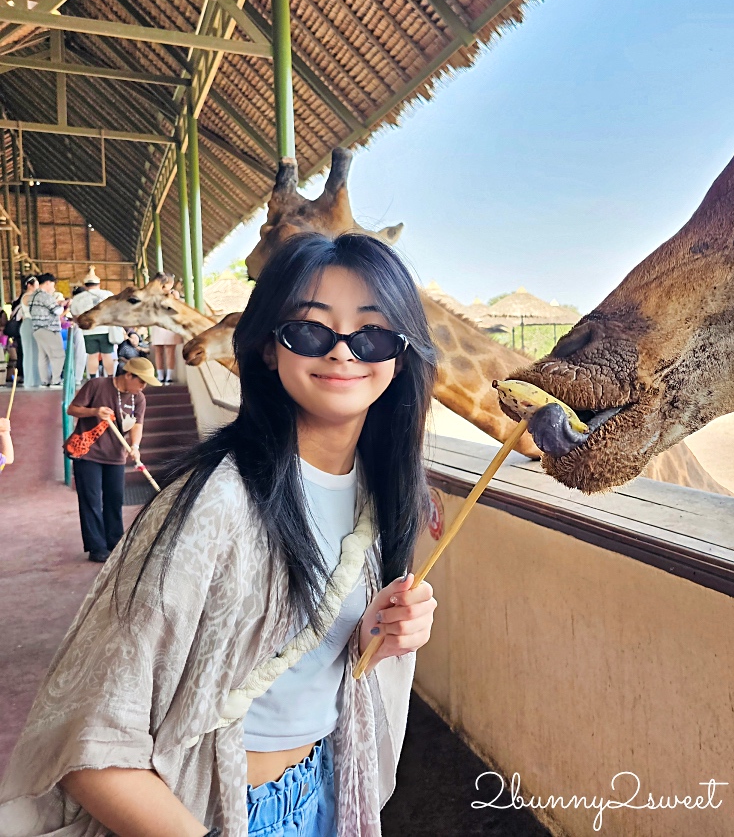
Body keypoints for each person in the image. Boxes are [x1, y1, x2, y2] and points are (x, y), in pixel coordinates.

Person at [0, 233, 440, 836]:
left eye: (372, 334)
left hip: (327, 790)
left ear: (400, 353)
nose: (343, 352)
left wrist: (372, 635)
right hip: (216, 811)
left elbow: (289, 654)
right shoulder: (211, 505)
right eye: (311, 330)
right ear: (266, 348)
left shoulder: (377, 493)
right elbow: (91, 737)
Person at [63, 355, 155, 562]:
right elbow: (72, 409)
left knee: (115, 499)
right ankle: (97, 547)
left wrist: (135, 446)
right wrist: (95, 411)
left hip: (116, 455)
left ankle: (115, 542)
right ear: (128, 375)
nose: (143, 386)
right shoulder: (97, 385)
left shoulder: (138, 398)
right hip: (89, 453)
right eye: (140, 380)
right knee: (91, 500)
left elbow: (138, 425)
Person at [68, 270, 116, 378]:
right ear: (99, 284)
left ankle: (93, 379)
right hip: (105, 329)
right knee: (107, 355)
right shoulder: (107, 294)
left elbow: (74, 314)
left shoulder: (78, 298)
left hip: (88, 330)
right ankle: (110, 378)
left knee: (92, 356)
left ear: (85, 285)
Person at [28, 273, 65, 387]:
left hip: (37, 329)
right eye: (53, 284)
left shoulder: (33, 296)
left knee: (43, 357)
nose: (54, 288)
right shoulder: (46, 296)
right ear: (48, 283)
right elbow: (58, 311)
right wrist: (63, 305)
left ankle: (45, 381)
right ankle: (56, 380)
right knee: (58, 355)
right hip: (48, 329)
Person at [150, 285, 184, 384]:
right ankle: (160, 376)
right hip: (159, 324)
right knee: (158, 351)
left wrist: (175, 297)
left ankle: (169, 376)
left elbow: (180, 309)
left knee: (169, 351)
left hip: (170, 325)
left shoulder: (174, 295)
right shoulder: (155, 296)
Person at [15, 276, 41, 388]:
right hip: (29, 324)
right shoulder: (27, 296)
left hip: (33, 324)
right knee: (29, 354)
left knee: (35, 354)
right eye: (36, 284)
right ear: (29, 285)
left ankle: (36, 380)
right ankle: (30, 380)